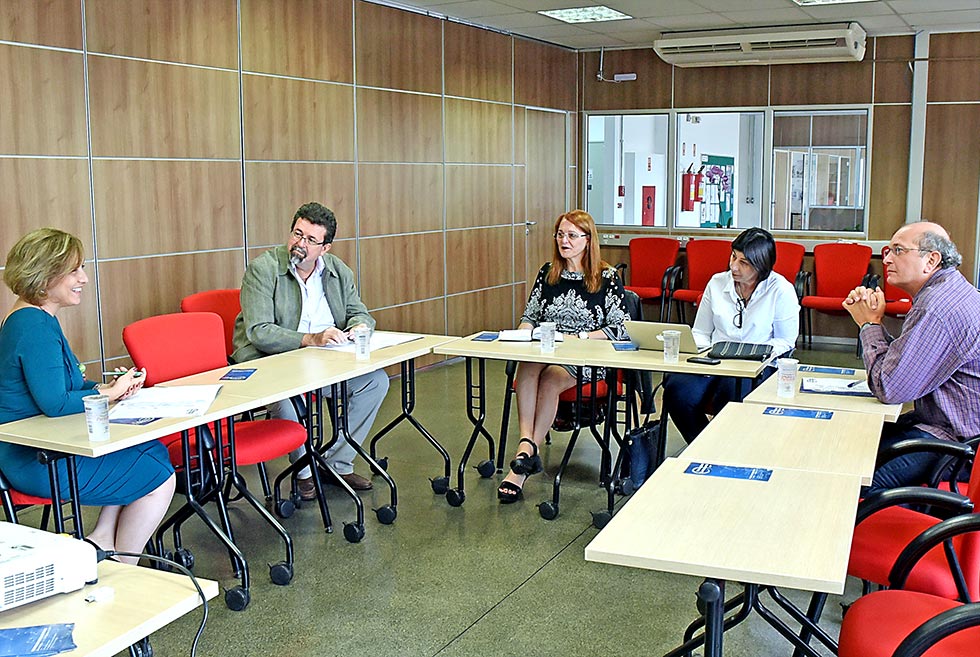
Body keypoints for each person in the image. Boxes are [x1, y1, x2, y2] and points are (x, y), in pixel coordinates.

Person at [0, 228, 175, 564]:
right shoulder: (33, 327)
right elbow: (55, 403)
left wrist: (108, 389)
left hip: (44, 445)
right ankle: (127, 565)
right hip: (35, 459)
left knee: (146, 449)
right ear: (45, 276)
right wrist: (109, 394)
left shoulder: (34, 317)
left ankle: (104, 537)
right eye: (74, 270)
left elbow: (63, 387)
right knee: (160, 477)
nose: (84, 278)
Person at [232, 202, 389, 498]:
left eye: (311, 240)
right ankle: (303, 471)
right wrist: (310, 339)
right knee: (286, 397)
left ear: (325, 248)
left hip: (324, 360)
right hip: (271, 360)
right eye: (297, 234)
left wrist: (357, 326)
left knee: (375, 382)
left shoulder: (338, 271)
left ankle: (337, 464)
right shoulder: (263, 269)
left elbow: (361, 312)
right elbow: (259, 332)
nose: (300, 244)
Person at [497, 210, 629, 504]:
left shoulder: (605, 277)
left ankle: (523, 462)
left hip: (584, 355)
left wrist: (579, 338)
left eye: (571, 235)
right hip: (545, 347)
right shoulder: (548, 272)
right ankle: (527, 446)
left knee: (552, 377)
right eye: (560, 235)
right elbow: (530, 315)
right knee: (528, 366)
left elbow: (620, 328)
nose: (564, 241)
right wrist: (523, 333)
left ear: (587, 239)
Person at [842, 221, 980, 494]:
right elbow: (911, 362)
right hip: (948, 431)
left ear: (931, 260)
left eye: (898, 250)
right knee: (851, 443)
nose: (887, 259)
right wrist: (873, 323)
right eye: (887, 251)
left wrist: (869, 326)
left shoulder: (938, 308)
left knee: (853, 479)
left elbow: (890, 388)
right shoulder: (947, 292)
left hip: (956, 444)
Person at [663, 228, 799, 443]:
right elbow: (701, 332)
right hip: (714, 359)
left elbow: (785, 341)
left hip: (756, 366)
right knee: (677, 390)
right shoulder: (717, 282)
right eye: (733, 256)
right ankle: (704, 446)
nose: (733, 266)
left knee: (732, 391)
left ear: (761, 265)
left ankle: (729, 449)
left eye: (744, 263)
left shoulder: (781, 290)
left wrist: (750, 355)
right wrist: (699, 354)